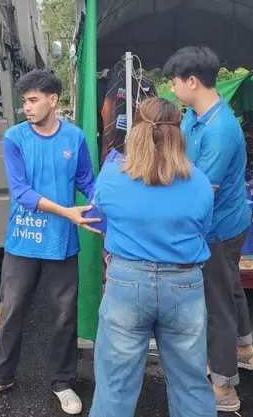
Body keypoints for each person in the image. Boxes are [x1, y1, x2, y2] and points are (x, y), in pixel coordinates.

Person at [0, 70, 97, 415]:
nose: (26, 107)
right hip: (23, 242)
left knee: (63, 315)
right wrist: (67, 212)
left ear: (53, 100)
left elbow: (87, 180)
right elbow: (22, 193)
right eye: (24, 101)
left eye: (33, 100)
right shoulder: (14, 138)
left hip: (62, 244)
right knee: (11, 311)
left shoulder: (74, 137)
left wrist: (108, 205)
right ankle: (1, 376)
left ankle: (62, 381)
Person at [88, 98, 216, 417]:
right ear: (179, 133)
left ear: (135, 132)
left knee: (115, 387)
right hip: (184, 285)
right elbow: (205, 228)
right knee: (191, 385)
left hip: (126, 282)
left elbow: (99, 219)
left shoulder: (112, 176)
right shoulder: (199, 181)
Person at [164, 46, 253, 413]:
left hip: (218, 227)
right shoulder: (193, 115)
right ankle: (246, 350)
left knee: (215, 303)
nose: (172, 89)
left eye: (174, 81)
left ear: (192, 81)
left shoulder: (221, 130)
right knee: (229, 286)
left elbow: (202, 192)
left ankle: (224, 385)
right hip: (220, 221)